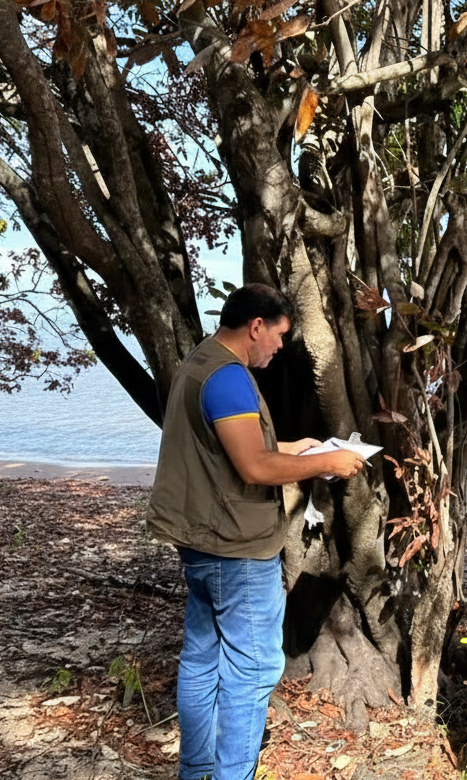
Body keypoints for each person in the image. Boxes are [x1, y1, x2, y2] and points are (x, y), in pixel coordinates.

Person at [148, 283, 366, 780]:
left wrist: (295, 448)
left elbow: (229, 448)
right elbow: (251, 467)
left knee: (203, 657)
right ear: (256, 327)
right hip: (235, 548)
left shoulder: (201, 362)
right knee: (254, 668)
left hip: (202, 541)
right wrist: (327, 461)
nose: (281, 347)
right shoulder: (229, 379)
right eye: (280, 336)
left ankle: (198, 769)